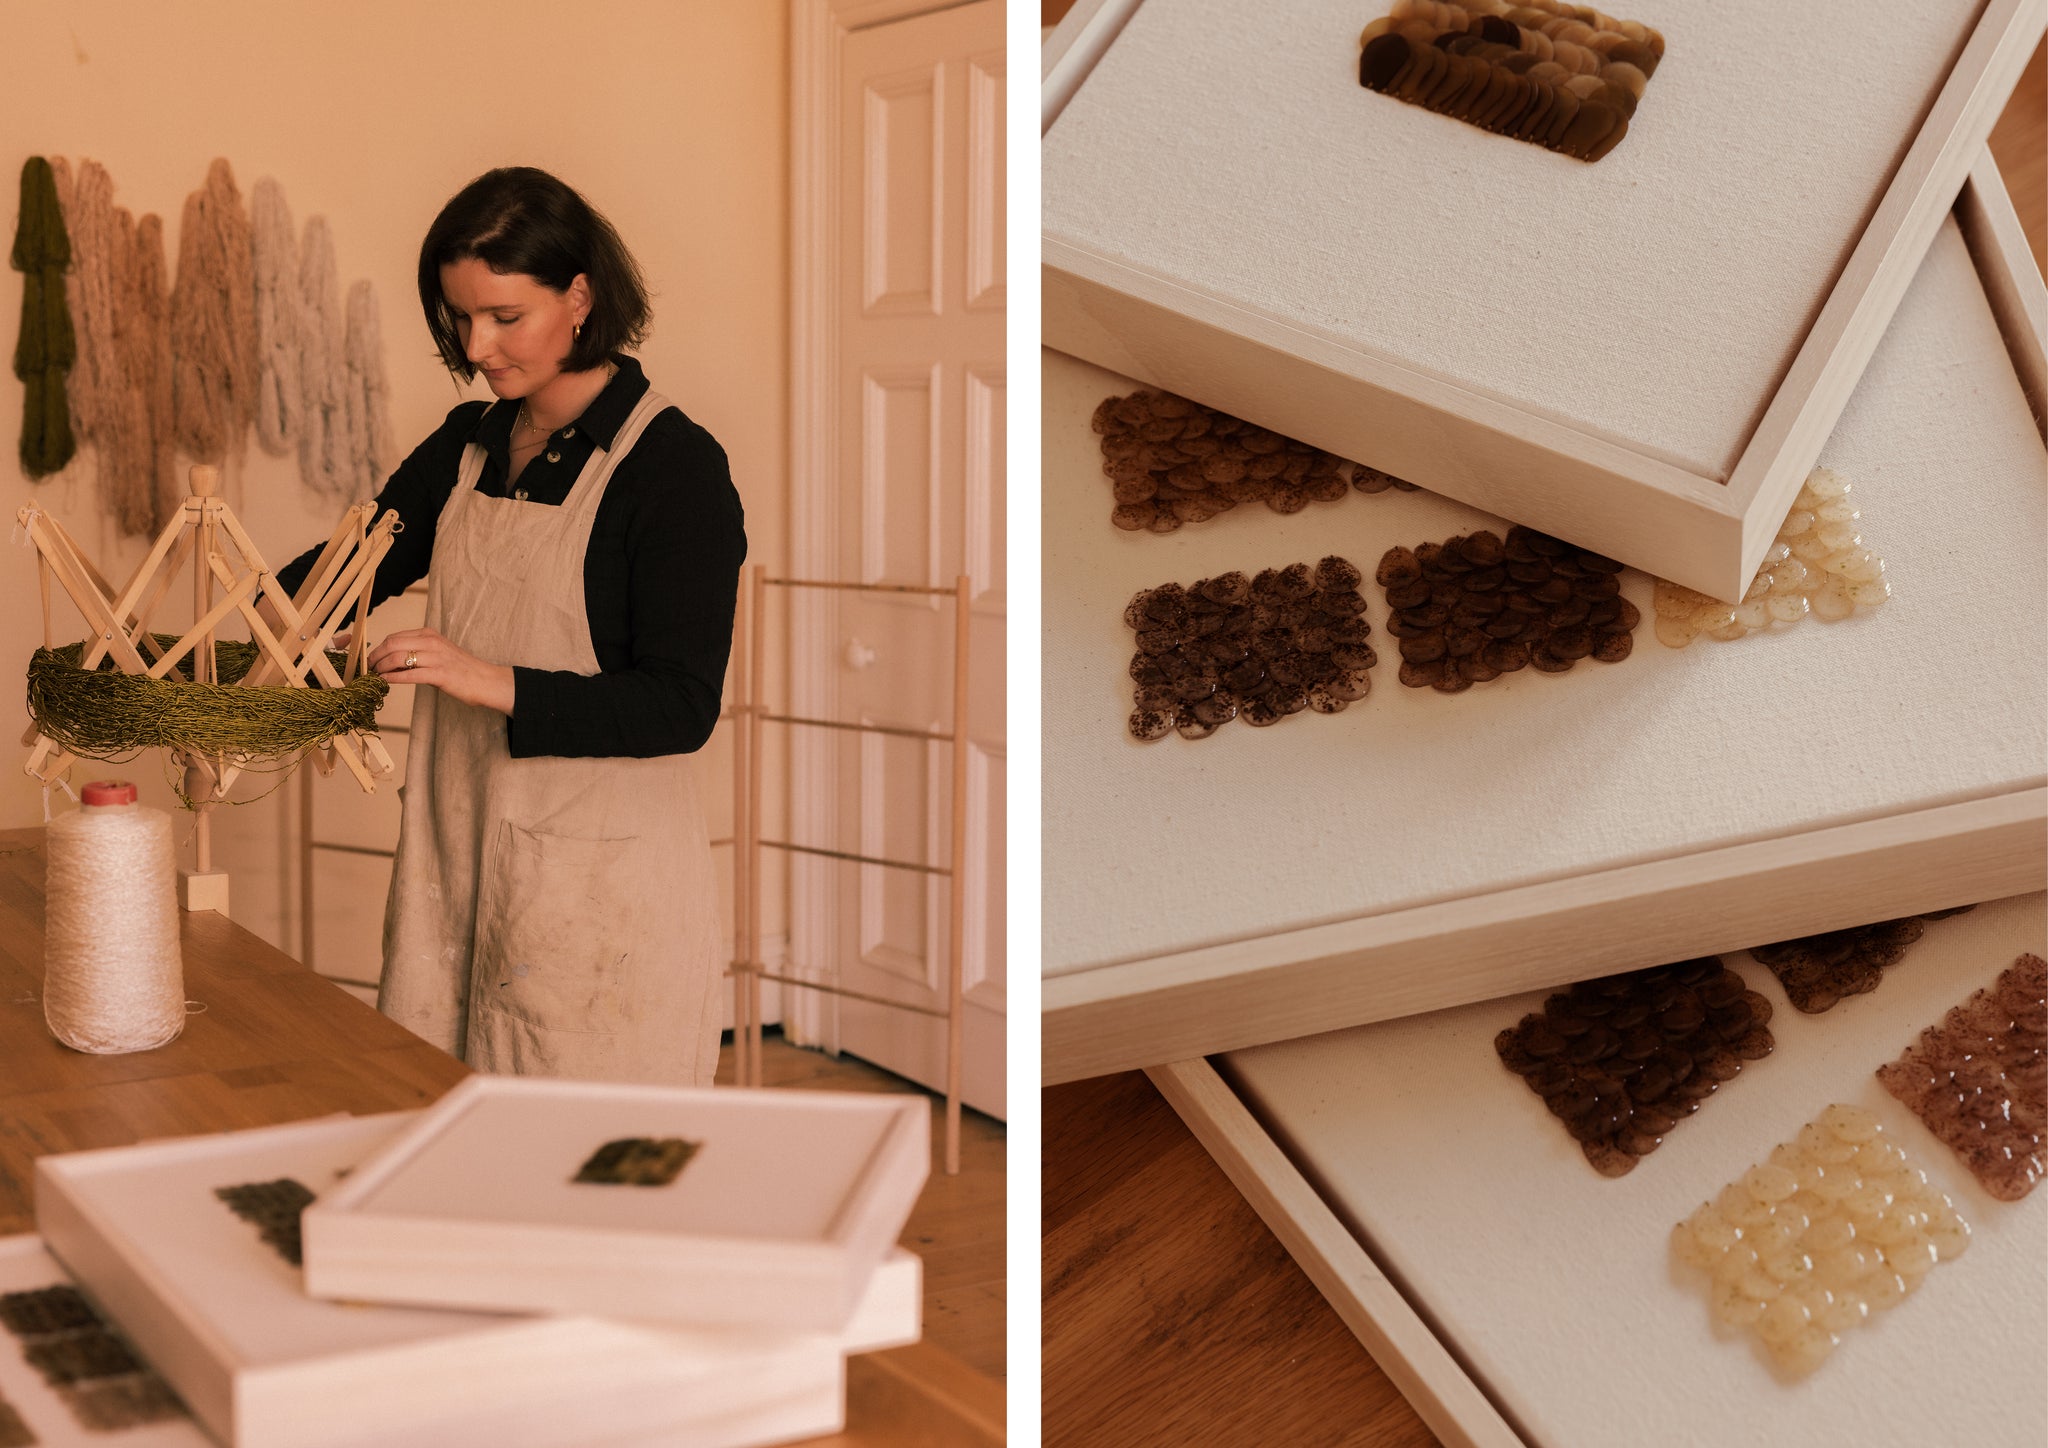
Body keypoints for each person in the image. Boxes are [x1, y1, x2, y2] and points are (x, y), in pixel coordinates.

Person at [276, 167, 745, 1086]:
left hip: (598, 898)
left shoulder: (673, 467)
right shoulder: (466, 444)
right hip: (454, 856)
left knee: (581, 1174)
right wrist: (251, 616)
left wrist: (482, 676)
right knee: (441, 1125)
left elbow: (680, 706)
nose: (478, 346)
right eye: (460, 318)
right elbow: (335, 580)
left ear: (580, 297)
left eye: (504, 316)